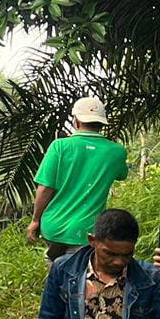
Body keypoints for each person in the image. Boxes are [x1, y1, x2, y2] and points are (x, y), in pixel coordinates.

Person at [27, 97, 129, 262]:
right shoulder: (117, 152)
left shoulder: (59, 146)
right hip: (87, 230)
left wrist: (35, 220)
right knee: (79, 277)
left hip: (54, 227)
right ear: (102, 123)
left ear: (76, 121)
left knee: (57, 273)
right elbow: (121, 174)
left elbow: (45, 188)